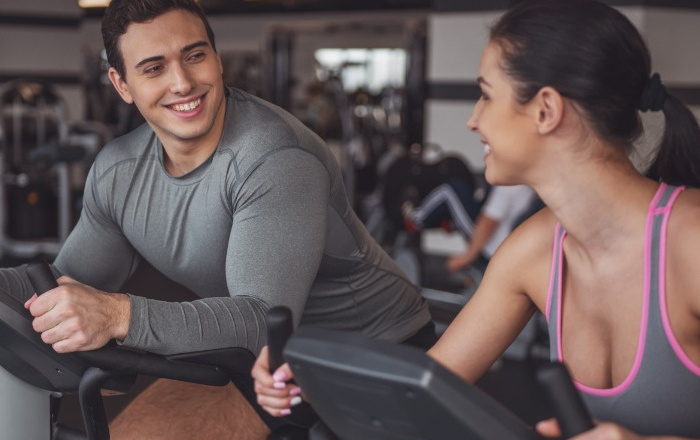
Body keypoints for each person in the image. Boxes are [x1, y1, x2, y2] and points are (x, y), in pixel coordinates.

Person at [253, 1, 700, 438]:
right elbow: (425, 388)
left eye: (486, 95)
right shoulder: (535, 251)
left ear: (546, 110)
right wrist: (310, 378)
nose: (472, 120)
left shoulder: (691, 244)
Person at [0, 0, 435, 438]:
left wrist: (117, 315)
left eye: (194, 55)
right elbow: (61, 283)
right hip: (252, 359)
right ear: (122, 84)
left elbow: (260, 320)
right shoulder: (118, 172)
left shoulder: (273, 157)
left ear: (216, 57)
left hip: (369, 354)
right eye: (153, 68)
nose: (183, 82)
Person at [403, 179, 538, 273]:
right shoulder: (532, 184)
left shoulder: (510, 185)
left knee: (450, 190)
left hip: (486, 249)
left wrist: (467, 257)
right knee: (464, 193)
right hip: (502, 250)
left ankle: (416, 220)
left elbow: (487, 223)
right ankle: (448, 221)